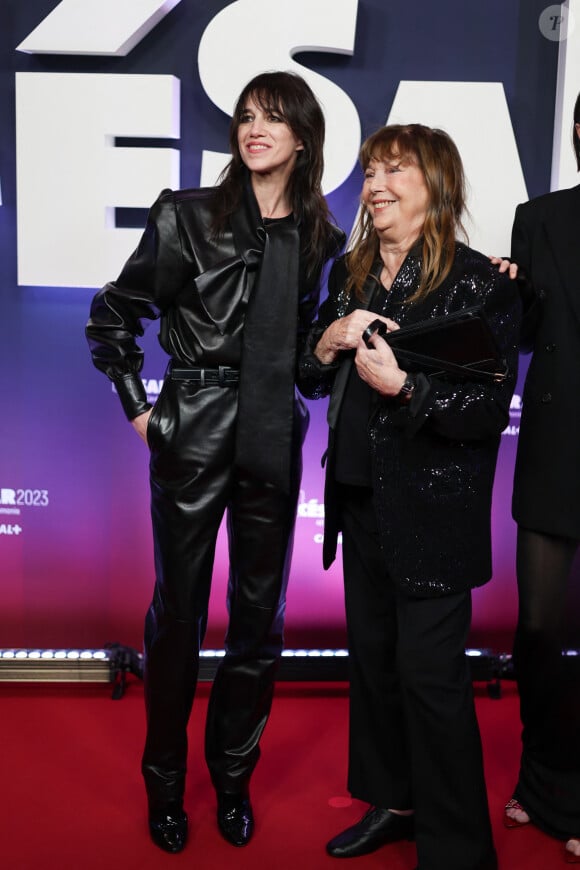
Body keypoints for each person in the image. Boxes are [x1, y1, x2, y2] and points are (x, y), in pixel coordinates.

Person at [86, 70, 344, 854]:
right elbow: (112, 316)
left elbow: (304, 368)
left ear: (303, 138)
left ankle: (232, 783)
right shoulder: (187, 215)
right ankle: (164, 787)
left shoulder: (324, 238)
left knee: (259, 622)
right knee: (179, 619)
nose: (255, 128)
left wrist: (327, 348)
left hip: (274, 431)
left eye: (274, 119)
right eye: (245, 117)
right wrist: (142, 408)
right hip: (192, 424)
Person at [299, 123, 521, 870]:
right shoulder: (351, 272)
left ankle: (456, 848)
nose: (376, 186)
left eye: (396, 172)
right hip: (358, 501)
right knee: (374, 664)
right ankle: (392, 803)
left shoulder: (479, 282)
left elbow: (488, 411)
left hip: (434, 514)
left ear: (439, 187)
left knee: (432, 680)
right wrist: (330, 338)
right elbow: (308, 371)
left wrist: (407, 387)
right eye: (369, 172)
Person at [503, 92, 580, 864]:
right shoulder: (541, 216)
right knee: (538, 628)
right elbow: (520, 335)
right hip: (558, 447)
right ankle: (543, 775)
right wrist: (507, 294)